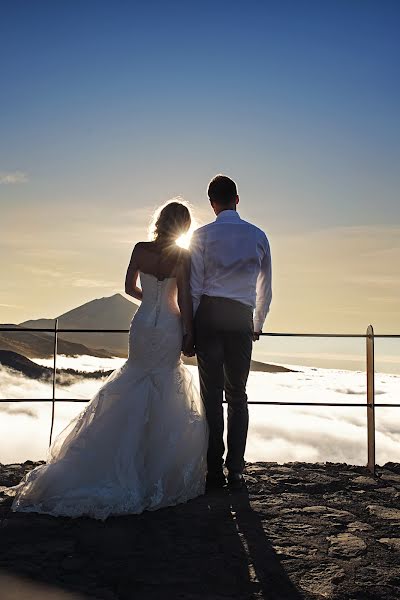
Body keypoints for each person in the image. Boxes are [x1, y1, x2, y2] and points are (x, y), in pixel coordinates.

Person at [12, 201, 208, 520]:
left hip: (143, 325)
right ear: (183, 227)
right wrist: (188, 331)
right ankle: (151, 467)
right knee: (164, 383)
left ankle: (113, 464)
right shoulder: (183, 256)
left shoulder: (140, 249)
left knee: (135, 379)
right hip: (169, 327)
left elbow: (129, 287)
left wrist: (150, 302)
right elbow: (185, 299)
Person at [190, 175, 272, 490]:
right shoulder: (258, 236)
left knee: (211, 396)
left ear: (212, 203)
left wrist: (192, 329)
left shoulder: (201, 236)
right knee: (237, 394)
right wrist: (257, 324)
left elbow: (195, 288)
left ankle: (213, 470)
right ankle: (235, 468)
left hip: (209, 315)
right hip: (240, 317)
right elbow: (266, 289)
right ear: (237, 199)